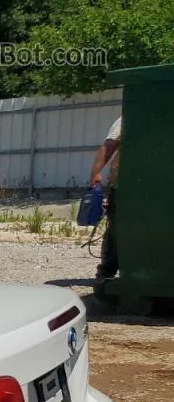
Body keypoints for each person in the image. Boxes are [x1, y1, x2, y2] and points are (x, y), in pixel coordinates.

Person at [89, 116, 121, 280]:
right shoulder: (128, 117)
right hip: (124, 186)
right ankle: (106, 273)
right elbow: (109, 145)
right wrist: (95, 174)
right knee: (116, 230)